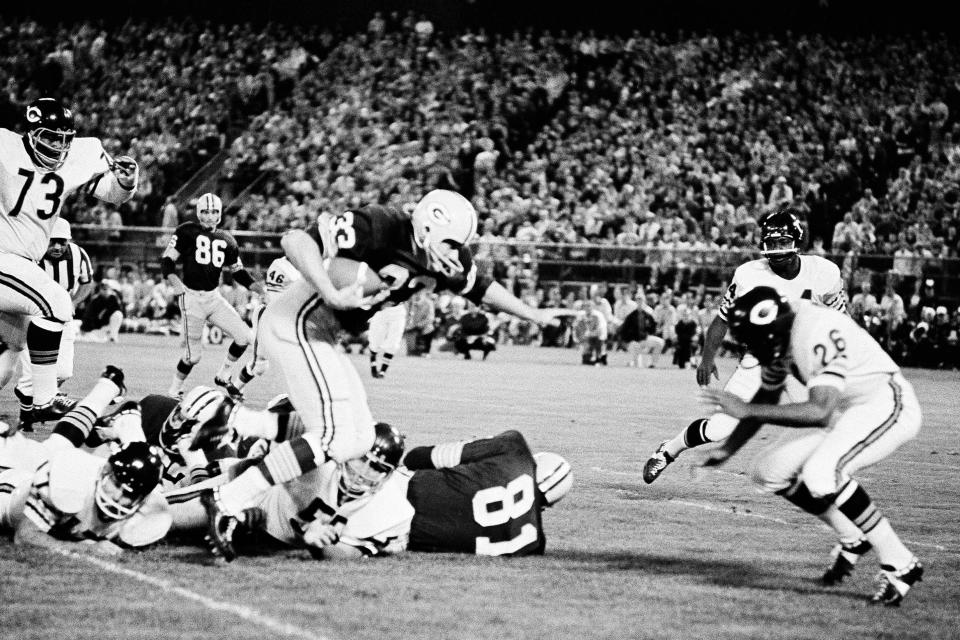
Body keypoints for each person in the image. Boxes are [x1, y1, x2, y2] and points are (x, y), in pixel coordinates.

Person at [193, 189, 562, 559]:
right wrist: (331, 292)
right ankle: (228, 499)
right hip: (296, 323)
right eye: (451, 243)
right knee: (333, 437)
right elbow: (294, 239)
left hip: (320, 333)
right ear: (429, 226)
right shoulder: (383, 225)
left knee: (360, 439)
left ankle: (234, 421)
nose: (455, 253)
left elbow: (481, 287)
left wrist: (534, 314)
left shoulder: (440, 258)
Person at [700, 287, 924, 606]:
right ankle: (852, 536)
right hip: (845, 409)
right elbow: (768, 397)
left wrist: (745, 409)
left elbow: (819, 412)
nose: (756, 346)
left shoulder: (817, 330)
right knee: (769, 471)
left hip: (883, 401)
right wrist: (727, 450)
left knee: (823, 473)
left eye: (756, 337)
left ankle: (901, 563)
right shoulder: (782, 330)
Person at [643, 208, 847, 483]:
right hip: (760, 359)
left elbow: (842, 321)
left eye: (783, 242)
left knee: (820, 421)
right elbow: (722, 319)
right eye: (771, 243)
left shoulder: (824, 272)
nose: (776, 250)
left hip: (804, 360)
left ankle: (824, 478)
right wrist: (707, 358)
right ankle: (668, 451)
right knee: (719, 429)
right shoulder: (749, 275)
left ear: (798, 241)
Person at [168, 426, 571, 561]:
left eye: (376, 466)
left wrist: (319, 541)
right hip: (397, 526)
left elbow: (417, 458)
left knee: (269, 473)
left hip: (394, 501)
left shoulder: (512, 449)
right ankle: (213, 467)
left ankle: (219, 470)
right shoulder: (532, 543)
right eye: (363, 463)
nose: (366, 472)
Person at [0, 97, 137, 422]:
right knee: (55, 301)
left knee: (8, 355)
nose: (58, 145)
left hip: (21, 264)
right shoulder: (6, 147)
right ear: (31, 132)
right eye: (49, 136)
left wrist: (126, 181)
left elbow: (112, 194)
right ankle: (44, 400)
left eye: (64, 138)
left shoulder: (81, 153)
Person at [0, 367, 169, 554]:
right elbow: (25, 536)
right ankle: (122, 413)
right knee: (44, 447)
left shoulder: (151, 507)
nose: (118, 498)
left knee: (56, 446)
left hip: (40, 465)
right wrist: (86, 549)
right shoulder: (68, 479)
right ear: (105, 472)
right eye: (117, 485)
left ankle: (114, 398)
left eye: (129, 494)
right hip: (9, 483)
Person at [161, 193, 265, 398]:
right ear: (199, 212)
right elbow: (167, 260)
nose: (210, 216)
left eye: (214, 212)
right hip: (191, 297)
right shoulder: (186, 231)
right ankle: (174, 389)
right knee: (193, 357)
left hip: (213, 297)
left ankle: (223, 374)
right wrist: (175, 283)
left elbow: (239, 273)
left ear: (220, 214)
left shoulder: (228, 240)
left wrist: (260, 290)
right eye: (206, 212)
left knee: (245, 337)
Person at [14, 218, 93, 430]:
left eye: (62, 242)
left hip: (62, 314)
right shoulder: (30, 253)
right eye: (52, 241)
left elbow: (88, 282)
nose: (57, 247)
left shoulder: (78, 254)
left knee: (64, 371)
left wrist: (74, 302)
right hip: (33, 314)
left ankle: (39, 396)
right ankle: (28, 416)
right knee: (32, 372)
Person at [229, 255, 301, 395]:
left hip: (285, 320)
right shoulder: (282, 266)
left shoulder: (302, 266)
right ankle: (235, 389)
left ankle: (299, 399)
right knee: (260, 366)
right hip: (268, 317)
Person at [367, 303, 407, 377]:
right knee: (375, 342)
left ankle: (383, 371)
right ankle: (373, 366)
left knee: (393, 343)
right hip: (382, 309)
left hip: (398, 310)